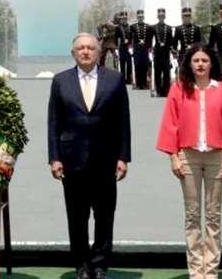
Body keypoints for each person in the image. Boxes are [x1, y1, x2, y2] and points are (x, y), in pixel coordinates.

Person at [156, 44, 222, 279]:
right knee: (192, 214)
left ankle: (211, 270)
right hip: (188, 157)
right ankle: (196, 270)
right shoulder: (178, 89)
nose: (200, 65)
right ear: (189, 64)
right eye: (196, 60)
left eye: (204, 60)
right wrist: (173, 157)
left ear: (211, 64)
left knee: (213, 214)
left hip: (217, 157)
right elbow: (170, 124)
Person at [47, 33, 131, 279]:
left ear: (98, 52)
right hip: (72, 160)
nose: (85, 52)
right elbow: (54, 122)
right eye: (80, 48)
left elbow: (123, 121)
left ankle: (100, 264)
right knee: (77, 216)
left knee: (104, 215)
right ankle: (82, 264)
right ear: (73, 53)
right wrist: (54, 158)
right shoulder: (60, 81)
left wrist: (123, 157)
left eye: (90, 48)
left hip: (106, 159)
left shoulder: (114, 79)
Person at [149, 9, 174, 97]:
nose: (161, 17)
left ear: (164, 17)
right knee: (157, 73)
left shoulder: (169, 28)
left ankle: (166, 91)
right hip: (157, 53)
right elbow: (150, 40)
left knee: (166, 73)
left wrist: (173, 51)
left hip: (166, 53)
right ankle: (159, 91)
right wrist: (150, 50)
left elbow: (171, 41)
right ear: (158, 17)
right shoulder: (153, 27)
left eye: (162, 16)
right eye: (160, 16)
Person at [173, 7, 203, 76]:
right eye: (185, 16)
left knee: (194, 74)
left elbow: (199, 42)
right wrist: (174, 54)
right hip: (183, 54)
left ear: (191, 17)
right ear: (182, 17)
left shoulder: (196, 28)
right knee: (183, 74)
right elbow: (175, 43)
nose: (187, 17)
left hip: (194, 54)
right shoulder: (178, 29)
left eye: (188, 16)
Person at [129, 10, 152, 90]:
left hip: (145, 49)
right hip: (137, 49)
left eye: (141, 17)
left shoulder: (148, 27)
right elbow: (130, 38)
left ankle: (144, 84)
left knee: (144, 66)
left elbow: (149, 39)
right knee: (137, 66)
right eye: (139, 17)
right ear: (137, 17)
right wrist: (130, 48)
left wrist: (150, 49)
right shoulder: (133, 27)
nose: (140, 18)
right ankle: (138, 84)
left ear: (143, 17)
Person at [116, 11, 133, 85]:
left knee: (129, 63)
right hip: (122, 47)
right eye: (123, 18)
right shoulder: (118, 28)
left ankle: (129, 79)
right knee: (122, 64)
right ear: (121, 19)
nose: (124, 20)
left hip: (129, 48)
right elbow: (116, 38)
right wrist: (116, 49)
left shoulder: (130, 27)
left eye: (125, 18)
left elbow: (132, 38)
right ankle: (122, 79)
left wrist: (131, 46)